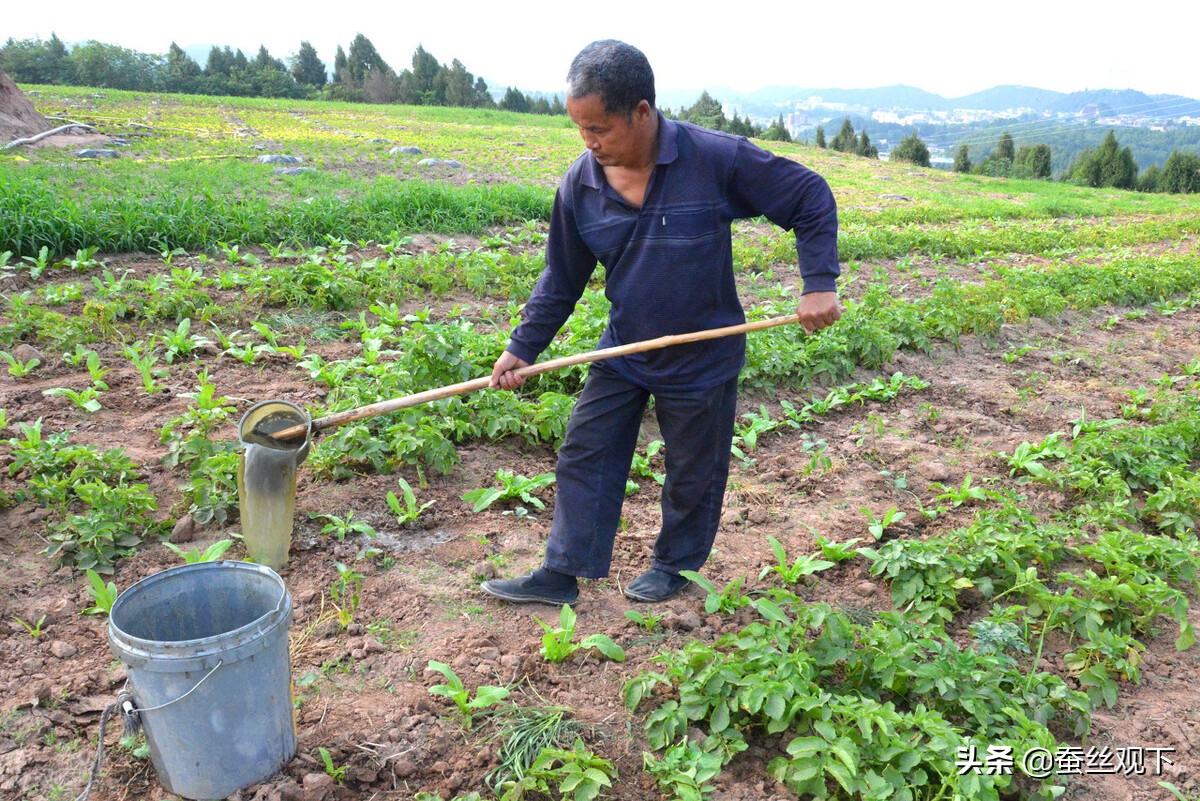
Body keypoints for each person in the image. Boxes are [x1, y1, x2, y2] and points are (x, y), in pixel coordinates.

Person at [481, 40, 841, 605]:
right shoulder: (581, 185)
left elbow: (809, 195)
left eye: (599, 128)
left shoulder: (714, 159)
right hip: (625, 350)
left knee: (692, 472)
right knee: (586, 450)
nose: (588, 141)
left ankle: (675, 567)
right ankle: (561, 573)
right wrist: (523, 347)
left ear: (641, 112)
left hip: (702, 357)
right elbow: (561, 278)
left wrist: (818, 282)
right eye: (580, 128)